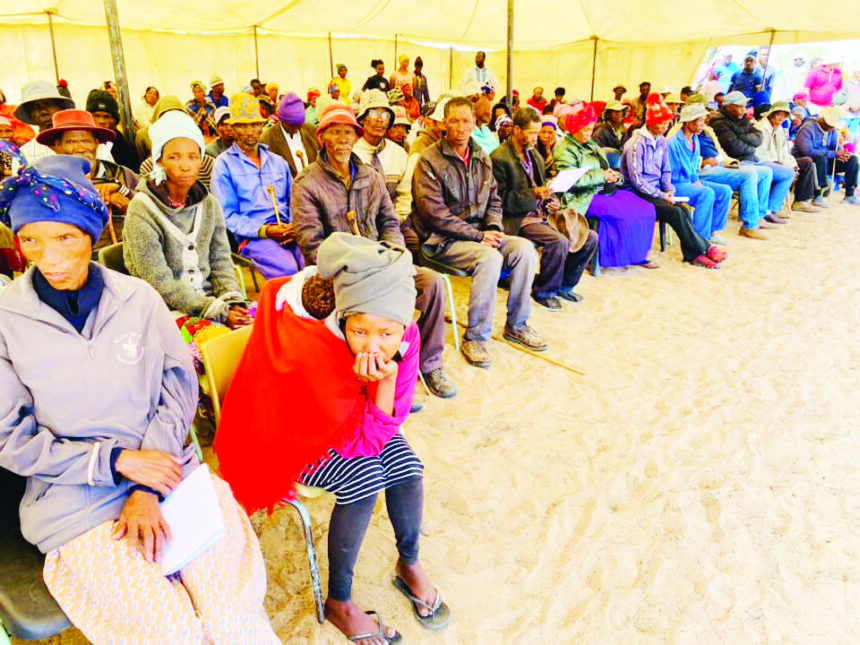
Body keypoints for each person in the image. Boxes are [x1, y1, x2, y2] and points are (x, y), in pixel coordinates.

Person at [0, 154, 279, 644]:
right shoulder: (6, 319)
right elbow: (10, 438)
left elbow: (177, 388)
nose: (50, 258)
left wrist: (148, 485)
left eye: (65, 236)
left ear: (93, 233)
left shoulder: (139, 300)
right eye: (31, 240)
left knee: (234, 621)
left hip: (171, 475)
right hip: (75, 502)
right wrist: (117, 464)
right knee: (170, 632)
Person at [215, 233, 451, 644]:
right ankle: (339, 602)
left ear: (405, 326)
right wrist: (376, 392)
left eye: (387, 334)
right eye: (360, 331)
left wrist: (386, 380)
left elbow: (386, 423)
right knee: (364, 481)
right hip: (292, 433)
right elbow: (356, 443)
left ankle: (408, 563)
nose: (373, 345)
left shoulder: (407, 339)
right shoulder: (316, 342)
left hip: (359, 419)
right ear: (344, 317)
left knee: (409, 469)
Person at [292, 103, 456, 399]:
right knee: (370, 310)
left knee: (431, 284)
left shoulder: (370, 175)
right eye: (335, 132)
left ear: (356, 137)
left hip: (383, 263)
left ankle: (427, 365)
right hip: (341, 273)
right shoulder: (307, 183)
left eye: (348, 132)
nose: (343, 138)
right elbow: (311, 243)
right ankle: (374, 375)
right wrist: (359, 266)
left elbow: (389, 221)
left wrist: (393, 257)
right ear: (322, 138)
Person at [412, 96, 547, 365]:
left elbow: (494, 200)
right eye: (454, 121)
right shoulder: (429, 160)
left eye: (466, 121)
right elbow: (434, 214)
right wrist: (479, 236)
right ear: (443, 124)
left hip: (480, 234)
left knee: (524, 249)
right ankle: (476, 337)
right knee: (490, 258)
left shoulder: (481, 157)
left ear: (474, 123)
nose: (460, 128)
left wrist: (493, 227)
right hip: (442, 241)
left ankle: (517, 325)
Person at [124, 111, 250, 327]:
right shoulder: (142, 209)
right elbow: (158, 282)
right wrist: (214, 311)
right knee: (213, 349)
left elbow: (220, 260)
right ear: (160, 161)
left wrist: (232, 300)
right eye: (174, 157)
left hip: (213, 303)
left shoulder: (210, 204)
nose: (185, 165)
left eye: (193, 156)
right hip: (165, 310)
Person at [491, 108, 597, 311]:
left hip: (540, 213)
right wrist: (534, 195)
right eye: (531, 133)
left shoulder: (534, 156)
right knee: (558, 241)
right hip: (517, 219)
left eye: (536, 132)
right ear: (516, 130)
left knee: (590, 237)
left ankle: (565, 284)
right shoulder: (500, 158)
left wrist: (552, 199)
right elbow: (498, 200)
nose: (535, 137)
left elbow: (545, 189)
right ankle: (544, 290)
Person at [621, 98, 725, 268]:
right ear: (651, 123)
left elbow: (666, 170)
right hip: (636, 193)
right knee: (675, 212)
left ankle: (694, 255)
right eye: (661, 124)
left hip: (656, 191)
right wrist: (662, 195)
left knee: (683, 210)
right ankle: (705, 249)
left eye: (667, 123)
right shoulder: (635, 145)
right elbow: (637, 181)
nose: (665, 127)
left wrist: (669, 190)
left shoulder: (661, 141)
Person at [211, 93, 304, 278]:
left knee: (313, 262)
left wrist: (294, 226)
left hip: (289, 231)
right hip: (255, 237)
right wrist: (266, 230)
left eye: (255, 124)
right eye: (242, 125)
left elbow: (296, 201)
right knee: (288, 270)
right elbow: (227, 216)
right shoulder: (224, 165)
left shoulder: (278, 162)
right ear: (233, 128)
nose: (250, 131)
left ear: (262, 126)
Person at [554, 105, 658, 269]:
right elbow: (571, 181)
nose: (589, 133)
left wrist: (613, 176)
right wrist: (602, 176)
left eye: (590, 129)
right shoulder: (564, 149)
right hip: (581, 196)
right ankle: (609, 257)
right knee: (622, 215)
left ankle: (636, 255)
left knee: (646, 208)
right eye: (585, 129)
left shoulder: (591, 144)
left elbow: (605, 168)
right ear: (574, 128)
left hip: (602, 190)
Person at [40, 109, 139, 249]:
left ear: (97, 143)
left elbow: (151, 208)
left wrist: (121, 190)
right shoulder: (46, 182)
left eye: (86, 141)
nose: (80, 148)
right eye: (71, 142)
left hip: (126, 255)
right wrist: (94, 195)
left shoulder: (120, 173)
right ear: (57, 146)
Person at [711, 91, 793, 224]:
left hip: (752, 160)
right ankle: (758, 215)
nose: (743, 109)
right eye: (739, 106)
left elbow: (758, 138)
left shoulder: (742, 120)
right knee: (767, 173)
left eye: (744, 106)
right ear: (728, 106)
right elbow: (735, 148)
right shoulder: (720, 123)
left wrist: (742, 137)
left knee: (785, 173)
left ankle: (765, 212)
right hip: (736, 161)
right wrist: (749, 142)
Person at [667, 104, 732, 243]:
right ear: (689, 122)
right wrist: (695, 181)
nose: (703, 124)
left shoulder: (695, 139)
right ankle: (699, 239)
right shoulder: (673, 142)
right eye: (700, 120)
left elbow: (693, 168)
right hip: (675, 183)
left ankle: (711, 231)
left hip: (689, 180)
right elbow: (674, 172)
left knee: (725, 191)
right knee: (706, 193)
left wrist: (695, 180)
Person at [754, 101, 820, 212]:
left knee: (807, 162)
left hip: (779, 162)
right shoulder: (761, 128)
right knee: (785, 171)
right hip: (764, 163)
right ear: (771, 114)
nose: (781, 118)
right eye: (779, 115)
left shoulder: (779, 129)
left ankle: (801, 200)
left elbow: (785, 153)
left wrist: (792, 165)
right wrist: (783, 166)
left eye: (784, 116)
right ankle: (772, 209)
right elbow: (760, 154)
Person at [793, 108, 859, 206]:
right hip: (807, 161)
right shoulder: (808, 128)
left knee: (853, 160)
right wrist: (834, 154)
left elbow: (835, 147)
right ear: (824, 122)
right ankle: (817, 196)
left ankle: (850, 195)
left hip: (825, 162)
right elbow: (807, 151)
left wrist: (842, 153)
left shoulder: (832, 131)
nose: (833, 128)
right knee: (820, 158)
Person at [13, 80, 75, 168]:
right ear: (30, 114)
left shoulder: (87, 142)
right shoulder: (23, 155)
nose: (43, 111)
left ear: (60, 107)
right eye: (35, 107)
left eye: (48, 104)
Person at [260, 92, 319, 178]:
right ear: (282, 120)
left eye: (299, 125)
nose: (296, 130)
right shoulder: (267, 139)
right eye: (292, 126)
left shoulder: (312, 131)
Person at [86, 90, 142, 172]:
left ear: (115, 121)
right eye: (96, 116)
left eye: (107, 116)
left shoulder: (125, 148)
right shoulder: (82, 144)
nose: (101, 121)